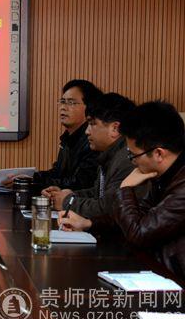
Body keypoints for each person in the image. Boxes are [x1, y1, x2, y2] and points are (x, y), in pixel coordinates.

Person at [60, 101, 185, 278]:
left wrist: (125, 188)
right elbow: (138, 216)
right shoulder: (162, 174)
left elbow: (139, 234)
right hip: (154, 269)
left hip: (173, 280)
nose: (132, 161)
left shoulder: (181, 187)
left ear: (158, 153)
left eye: (133, 155)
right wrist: (89, 223)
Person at [45, 93, 143, 225]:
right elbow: (98, 193)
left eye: (92, 124)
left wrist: (67, 201)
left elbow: (107, 209)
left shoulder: (127, 159)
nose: (87, 131)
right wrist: (69, 194)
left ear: (115, 128)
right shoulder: (111, 154)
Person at [4, 79, 103, 191]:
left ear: (89, 108)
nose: (63, 107)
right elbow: (57, 174)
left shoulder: (93, 140)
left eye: (71, 103)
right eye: (62, 101)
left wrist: (33, 182)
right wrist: (30, 178)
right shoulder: (68, 138)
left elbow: (80, 183)